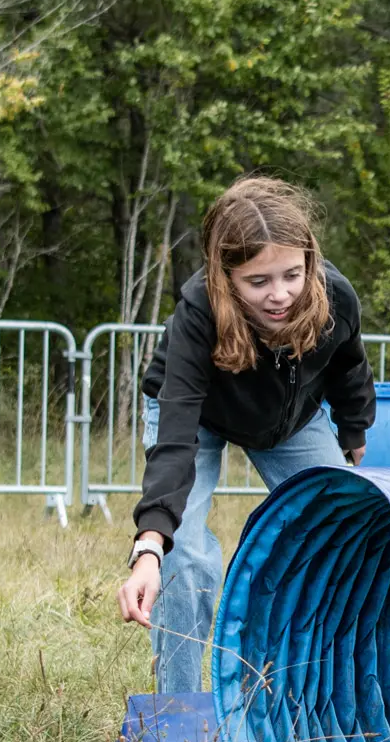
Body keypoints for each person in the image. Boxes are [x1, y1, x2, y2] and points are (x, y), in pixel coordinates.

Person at [116, 177, 375, 695]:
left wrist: (353, 429)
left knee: (339, 537)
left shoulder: (335, 297)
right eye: (258, 282)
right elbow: (175, 438)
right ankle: (181, 706)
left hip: (290, 421)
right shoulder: (198, 314)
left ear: (310, 260)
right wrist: (150, 546)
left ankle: (306, 692)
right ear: (226, 275)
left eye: (292, 275)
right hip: (197, 418)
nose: (279, 294)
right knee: (186, 558)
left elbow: (350, 365)